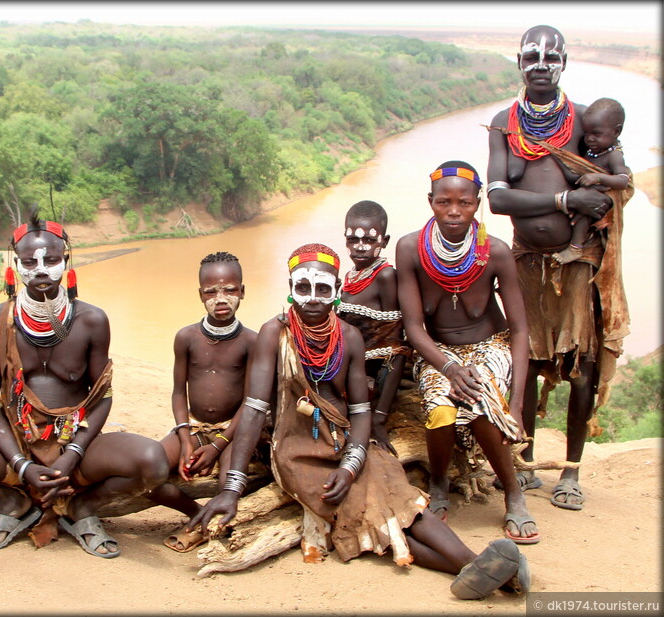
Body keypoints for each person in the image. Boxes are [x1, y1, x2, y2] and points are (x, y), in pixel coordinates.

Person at [189, 243, 530, 599]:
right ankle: (482, 567)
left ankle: (477, 569)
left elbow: (360, 412)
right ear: (290, 289)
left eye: (323, 289)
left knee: (400, 496)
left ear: (337, 292)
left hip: (348, 443)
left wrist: (351, 466)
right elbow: (256, 408)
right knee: (370, 513)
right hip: (297, 450)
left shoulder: (348, 337)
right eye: (303, 288)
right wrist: (231, 489)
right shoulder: (274, 334)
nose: (313, 298)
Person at [0, 212, 168, 556]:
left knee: (153, 461)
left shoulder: (92, 320)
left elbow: (102, 398)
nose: (40, 269)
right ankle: (9, 501)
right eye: (30, 261)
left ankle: (81, 508)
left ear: (66, 261)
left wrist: (71, 456)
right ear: (16, 265)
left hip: (75, 445)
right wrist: (21, 465)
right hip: (13, 447)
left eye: (51, 259)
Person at [486, 25, 629, 511]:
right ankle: (523, 461)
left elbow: (616, 180)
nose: (541, 63)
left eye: (551, 56)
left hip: (579, 266)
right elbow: (499, 199)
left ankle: (571, 471)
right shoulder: (506, 122)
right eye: (532, 56)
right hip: (526, 262)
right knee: (525, 363)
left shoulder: (589, 121)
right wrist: (565, 197)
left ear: (564, 61)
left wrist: (604, 192)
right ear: (519, 62)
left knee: (582, 366)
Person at [396, 161, 538, 545]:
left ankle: (512, 491)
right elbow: (413, 328)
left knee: (479, 401)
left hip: (489, 345)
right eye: (444, 202)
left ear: (478, 204)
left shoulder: (496, 252)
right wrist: (449, 367)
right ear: (431, 202)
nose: (454, 211)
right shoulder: (410, 249)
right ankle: (440, 483)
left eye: (464, 203)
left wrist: (518, 401)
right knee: (442, 410)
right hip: (438, 350)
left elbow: (521, 329)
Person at [147, 251, 259, 553]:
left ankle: (204, 526)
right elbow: (177, 392)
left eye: (230, 290)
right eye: (211, 292)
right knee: (146, 471)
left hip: (232, 430)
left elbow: (250, 402)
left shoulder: (252, 342)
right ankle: (195, 512)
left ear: (243, 292)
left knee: (229, 486)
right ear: (200, 295)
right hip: (193, 427)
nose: (220, 299)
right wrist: (185, 440)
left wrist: (218, 445)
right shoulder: (186, 337)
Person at [336, 200, 412, 453]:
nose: (360, 247)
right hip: (348, 372)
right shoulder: (348, 278)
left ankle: (375, 420)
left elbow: (394, 348)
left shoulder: (385, 276)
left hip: (374, 378)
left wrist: (379, 415)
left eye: (369, 240)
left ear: (385, 241)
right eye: (352, 239)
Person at [549, 98, 631, 265]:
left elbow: (623, 180)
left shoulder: (614, 155)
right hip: (587, 191)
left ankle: (575, 248)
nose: (590, 139)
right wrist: (557, 156)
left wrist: (598, 177)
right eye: (586, 134)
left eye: (597, 134)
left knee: (585, 210)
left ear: (616, 132)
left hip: (599, 200)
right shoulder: (594, 151)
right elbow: (577, 174)